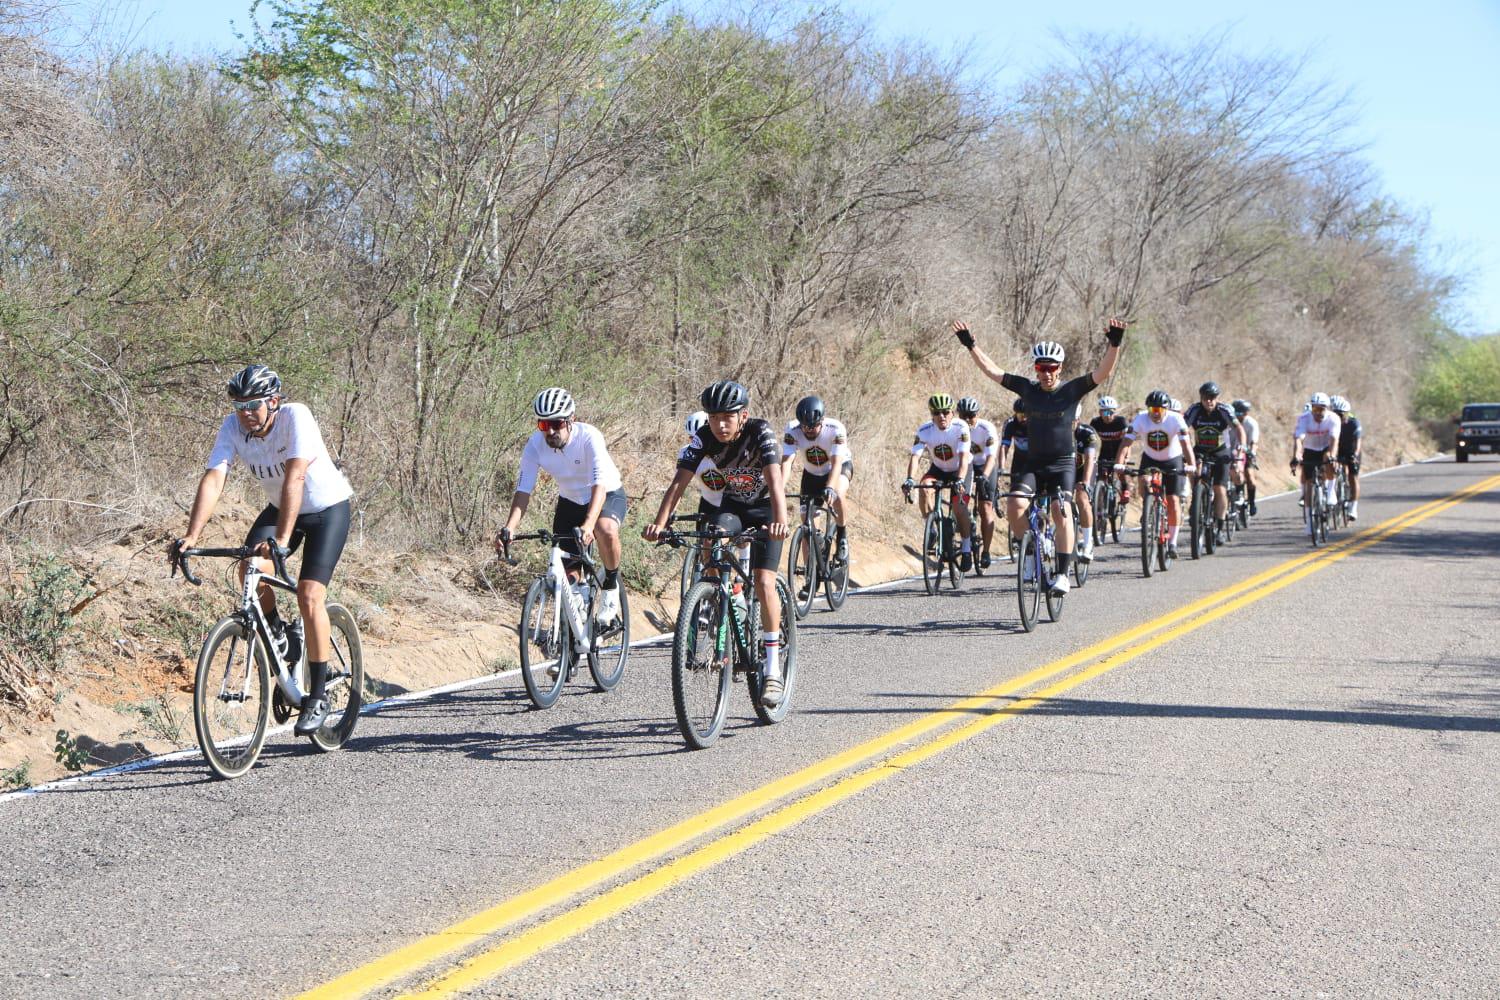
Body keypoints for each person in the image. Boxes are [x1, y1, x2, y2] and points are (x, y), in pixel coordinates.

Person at [170, 364, 354, 735]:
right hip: (281, 508)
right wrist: (191, 534)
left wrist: (283, 542)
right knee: (249, 567)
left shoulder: (295, 416)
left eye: (253, 405)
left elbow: (296, 476)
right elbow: (215, 477)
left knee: (309, 595)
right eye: (239, 406)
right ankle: (281, 636)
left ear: (274, 401)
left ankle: (317, 696)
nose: (245, 413)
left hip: (325, 510)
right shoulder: (233, 426)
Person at [952, 317, 1127, 595]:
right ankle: (1031, 551)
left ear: (1059, 369)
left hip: (1062, 464)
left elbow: (1102, 372)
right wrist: (971, 345)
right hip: (1033, 463)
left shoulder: (1071, 391)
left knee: (1061, 510)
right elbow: (993, 371)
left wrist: (1114, 343)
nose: (1046, 373)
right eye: (1041, 368)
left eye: (1052, 368)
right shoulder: (1027, 390)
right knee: (1014, 508)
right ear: (1036, 369)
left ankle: (1061, 574)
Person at [644, 380, 790, 708]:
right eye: (714, 417)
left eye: (728, 417)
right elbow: (679, 482)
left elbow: (774, 479)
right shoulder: (704, 438)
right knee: (714, 541)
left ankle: (772, 670)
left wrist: (780, 519)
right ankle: (721, 600)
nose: (720, 424)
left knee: (765, 581)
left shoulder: (760, 432)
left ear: (743, 416)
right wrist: (661, 522)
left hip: (765, 509)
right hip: (731, 507)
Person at [497, 388, 627, 625]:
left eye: (556, 424)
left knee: (605, 529)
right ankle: (572, 641)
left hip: (606, 494)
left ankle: (610, 586)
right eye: (544, 425)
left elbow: (599, 484)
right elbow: (523, 490)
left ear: (571, 420)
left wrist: (589, 526)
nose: (551, 431)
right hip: (570, 503)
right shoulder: (535, 445)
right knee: (569, 575)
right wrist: (510, 528)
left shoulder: (589, 437)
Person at [1116, 389, 1196, 559]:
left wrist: (1191, 464)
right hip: (1150, 458)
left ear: (1166, 409)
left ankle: (1172, 542)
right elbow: (1126, 442)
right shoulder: (1141, 418)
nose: (1155, 413)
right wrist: (1119, 463)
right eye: (1152, 409)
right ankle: (1148, 507)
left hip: (1172, 459)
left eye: (1159, 410)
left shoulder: (1176, 419)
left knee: (1173, 500)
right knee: (1143, 478)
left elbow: (1186, 446)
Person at [903, 393, 974, 571]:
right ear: (931, 414)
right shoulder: (924, 430)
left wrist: (959, 480)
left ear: (952, 413)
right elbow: (916, 456)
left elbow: (964, 457)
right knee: (924, 488)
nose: (941, 416)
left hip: (960, 469)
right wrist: (910, 479)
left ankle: (966, 548)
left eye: (945, 412)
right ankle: (932, 527)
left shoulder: (961, 427)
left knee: (958, 507)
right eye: (936, 413)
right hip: (939, 469)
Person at [781, 395, 853, 562]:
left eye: (813, 426)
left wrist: (829, 487)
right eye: (805, 426)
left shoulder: (835, 429)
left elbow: (836, 463)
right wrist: (779, 487)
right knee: (807, 527)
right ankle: (809, 578)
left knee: (838, 494)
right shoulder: (792, 430)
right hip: (811, 474)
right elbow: (786, 461)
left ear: (822, 420)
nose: (808, 430)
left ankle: (842, 536)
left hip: (839, 467)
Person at [1183, 381, 1244, 536]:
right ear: (1201, 398)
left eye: (1212, 397)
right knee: (1193, 470)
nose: (1209, 401)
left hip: (1221, 452)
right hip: (1201, 450)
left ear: (1217, 398)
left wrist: (1242, 446)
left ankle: (1219, 525)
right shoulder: (1195, 409)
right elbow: (1182, 427)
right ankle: (1196, 496)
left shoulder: (1224, 410)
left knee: (1219, 488)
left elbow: (1238, 428)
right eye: (1205, 397)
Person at [956, 396, 1000, 570]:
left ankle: (986, 551)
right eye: (963, 415)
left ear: (977, 414)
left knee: (986, 507)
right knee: (960, 501)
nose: (967, 419)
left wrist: (984, 476)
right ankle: (964, 537)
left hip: (984, 465)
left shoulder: (986, 428)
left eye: (971, 415)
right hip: (967, 465)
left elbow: (991, 457)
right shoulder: (957, 428)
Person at [1291, 392, 1341, 535]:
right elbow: (1299, 440)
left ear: (1327, 409)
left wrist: (1332, 455)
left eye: (1321, 409)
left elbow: (1334, 440)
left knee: (1328, 458)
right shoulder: (1304, 419)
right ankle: (1309, 522)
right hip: (1310, 449)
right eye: (1315, 409)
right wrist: (1296, 455)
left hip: (1326, 447)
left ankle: (1331, 491)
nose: (1318, 413)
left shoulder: (1333, 419)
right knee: (1308, 486)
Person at [1091, 395, 1131, 505]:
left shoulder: (1121, 422)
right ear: (1100, 412)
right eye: (1105, 413)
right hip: (1105, 453)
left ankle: (1125, 490)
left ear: (1115, 412)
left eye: (1111, 412)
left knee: (1121, 472)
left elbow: (1129, 442)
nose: (1108, 416)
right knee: (1101, 477)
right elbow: (1090, 441)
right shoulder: (1095, 423)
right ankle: (1100, 501)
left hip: (1120, 452)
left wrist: (1127, 456)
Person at [1331, 395, 1362, 519]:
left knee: (1353, 476)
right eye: (1336, 414)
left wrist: (1355, 454)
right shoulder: (1330, 422)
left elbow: (1358, 442)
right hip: (1337, 448)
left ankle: (1353, 507)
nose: (1339, 417)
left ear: (1347, 413)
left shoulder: (1354, 423)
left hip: (1351, 448)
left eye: (1341, 414)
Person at [1073, 418, 1100, 561]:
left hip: (1085, 469)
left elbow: (1089, 459)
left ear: (1077, 419)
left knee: (1082, 498)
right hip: (1066, 470)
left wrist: (1085, 482)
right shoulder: (1058, 430)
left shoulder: (1087, 432)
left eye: (1073, 421)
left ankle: (1088, 543)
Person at [1232, 399, 1260, 515]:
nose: (1238, 416)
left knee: (1250, 478)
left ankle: (1252, 502)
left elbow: (1254, 442)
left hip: (1247, 452)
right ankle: (1236, 493)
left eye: (1241, 414)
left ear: (1246, 413)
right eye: (1236, 413)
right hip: (1232, 452)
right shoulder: (1229, 422)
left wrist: (1252, 451)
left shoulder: (1251, 423)